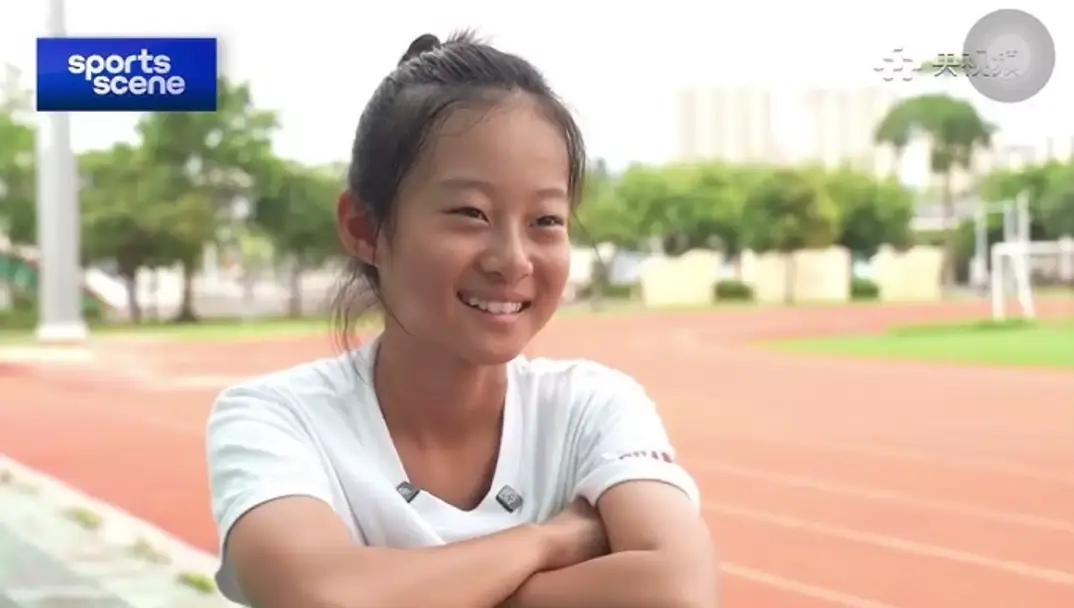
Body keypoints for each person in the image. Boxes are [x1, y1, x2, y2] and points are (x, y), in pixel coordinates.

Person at [205, 31, 718, 608]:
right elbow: (323, 598)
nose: (513, 260)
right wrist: (550, 539)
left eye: (545, 220)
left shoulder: (592, 408)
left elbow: (677, 590)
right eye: (469, 213)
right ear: (364, 228)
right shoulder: (278, 419)